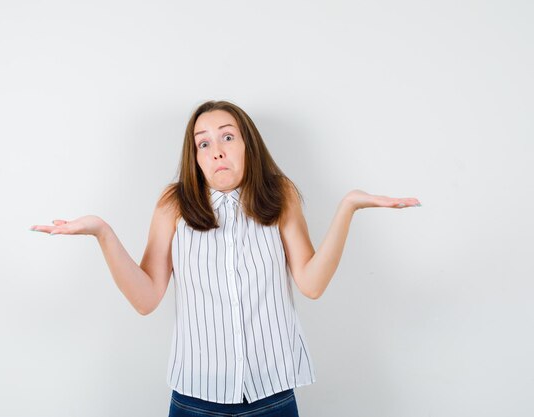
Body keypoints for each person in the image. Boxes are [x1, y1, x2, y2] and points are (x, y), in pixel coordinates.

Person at [30, 100, 421, 416]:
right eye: (203, 143)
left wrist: (348, 207)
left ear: (248, 144)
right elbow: (146, 298)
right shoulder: (174, 204)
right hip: (195, 400)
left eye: (228, 137)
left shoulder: (278, 195)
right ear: (195, 157)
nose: (216, 150)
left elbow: (312, 283)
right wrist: (102, 232)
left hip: (273, 398)